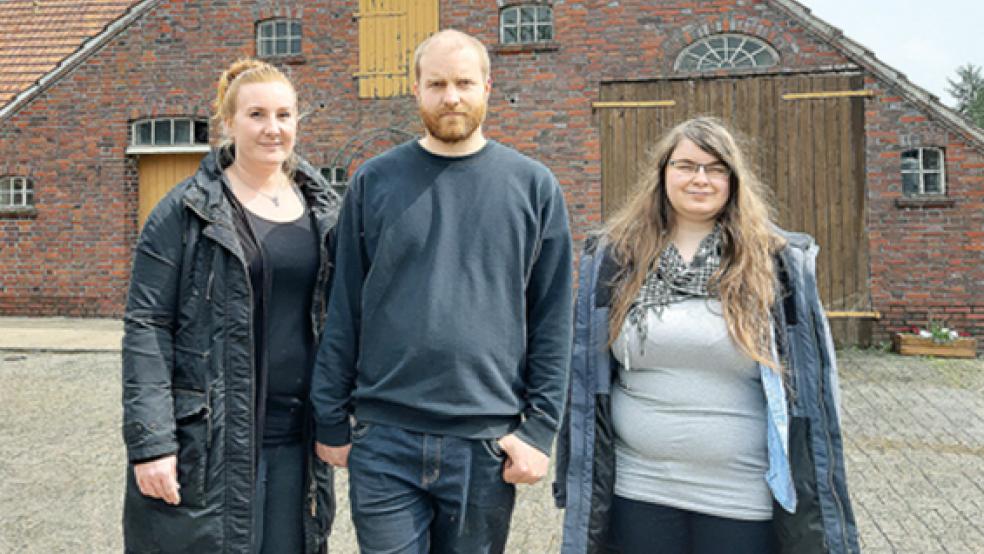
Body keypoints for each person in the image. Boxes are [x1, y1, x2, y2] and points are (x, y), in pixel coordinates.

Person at [310, 29, 574, 554]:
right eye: (436, 84)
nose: (450, 96)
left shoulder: (533, 186)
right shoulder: (374, 182)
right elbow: (344, 308)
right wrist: (331, 416)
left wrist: (540, 429)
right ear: (416, 89)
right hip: (385, 437)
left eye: (463, 83)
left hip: (484, 444)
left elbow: (553, 317)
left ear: (487, 87)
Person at [553, 117, 860, 554]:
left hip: (740, 492)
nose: (701, 178)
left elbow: (815, 387)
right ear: (663, 173)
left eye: (716, 168)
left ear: (733, 181)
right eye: (686, 165)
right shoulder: (617, 259)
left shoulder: (775, 264)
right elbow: (586, 375)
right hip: (638, 486)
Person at [121, 58, 340, 553]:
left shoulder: (326, 211)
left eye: (284, 115)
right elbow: (146, 325)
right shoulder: (185, 211)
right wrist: (152, 442)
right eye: (257, 115)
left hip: (297, 443)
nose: (273, 129)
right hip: (211, 442)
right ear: (228, 122)